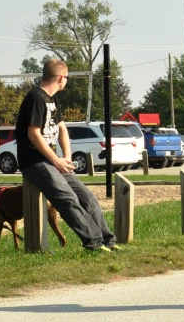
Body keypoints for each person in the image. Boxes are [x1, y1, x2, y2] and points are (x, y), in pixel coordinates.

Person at [15, 59, 120, 252]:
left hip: (53, 161)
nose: (67, 81)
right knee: (67, 199)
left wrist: (67, 157)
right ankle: (94, 244)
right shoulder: (35, 98)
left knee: (87, 198)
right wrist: (55, 160)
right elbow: (33, 134)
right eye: (67, 77)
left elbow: (61, 128)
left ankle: (108, 241)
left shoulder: (52, 99)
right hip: (35, 162)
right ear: (61, 77)